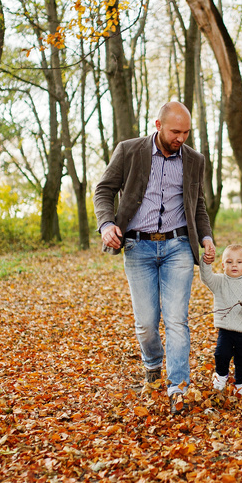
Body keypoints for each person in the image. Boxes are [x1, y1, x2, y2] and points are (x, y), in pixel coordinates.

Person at [94, 101, 216, 415]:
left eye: (187, 132)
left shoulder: (194, 160)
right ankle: (152, 363)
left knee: (177, 320)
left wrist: (206, 237)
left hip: (177, 247)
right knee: (147, 324)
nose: (181, 138)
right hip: (138, 247)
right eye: (176, 131)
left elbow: (197, 204)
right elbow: (104, 189)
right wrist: (107, 224)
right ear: (158, 125)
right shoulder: (129, 151)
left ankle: (178, 388)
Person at [197, 244, 242, 396]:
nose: (234, 265)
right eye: (229, 262)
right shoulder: (219, 282)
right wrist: (206, 261)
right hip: (226, 329)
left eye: (239, 262)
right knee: (221, 354)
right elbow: (206, 277)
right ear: (223, 265)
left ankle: (240, 383)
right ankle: (221, 375)